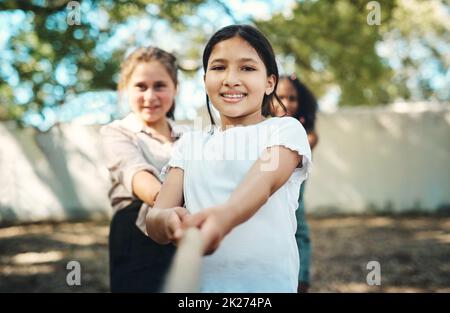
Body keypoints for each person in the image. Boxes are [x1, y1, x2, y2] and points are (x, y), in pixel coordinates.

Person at [146, 24, 312, 292]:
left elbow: (265, 181)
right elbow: (156, 217)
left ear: (270, 82)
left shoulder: (284, 130)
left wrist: (224, 217)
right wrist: (166, 222)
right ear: (204, 80)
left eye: (247, 68)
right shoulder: (190, 143)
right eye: (219, 67)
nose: (231, 78)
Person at [100, 46, 182, 292]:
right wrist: (167, 203)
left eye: (159, 86)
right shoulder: (117, 132)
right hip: (136, 236)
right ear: (125, 89)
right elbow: (136, 174)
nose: (150, 96)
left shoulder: (191, 136)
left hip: (184, 229)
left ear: (175, 88)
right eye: (140, 86)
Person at [272, 75, 319, 293]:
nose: (287, 103)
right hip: (270, 204)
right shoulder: (264, 128)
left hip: (294, 203)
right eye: (280, 97)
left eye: (292, 98)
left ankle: (302, 280)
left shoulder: (305, 134)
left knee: (300, 236)